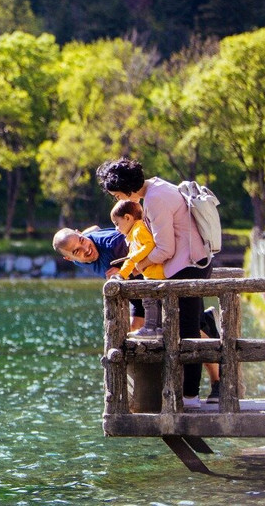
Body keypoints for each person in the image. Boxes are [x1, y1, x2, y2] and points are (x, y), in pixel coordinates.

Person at [52, 223, 221, 402]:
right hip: (136, 289)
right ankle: (140, 395)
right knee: (132, 332)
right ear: (69, 259)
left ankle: (216, 382)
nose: (85, 248)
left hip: (160, 278)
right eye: (76, 251)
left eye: (82, 241)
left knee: (191, 330)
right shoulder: (82, 243)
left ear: (79, 233)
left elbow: (150, 247)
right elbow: (93, 228)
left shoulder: (115, 243)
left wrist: (126, 269)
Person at [96, 158, 213, 408]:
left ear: (127, 188)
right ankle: (189, 393)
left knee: (187, 334)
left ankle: (190, 397)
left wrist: (139, 265)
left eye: (117, 195)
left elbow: (164, 249)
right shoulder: (158, 187)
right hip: (189, 264)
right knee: (187, 330)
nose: (119, 201)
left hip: (187, 268)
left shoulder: (155, 199)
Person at [110, 199, 163, 337]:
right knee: (153, 301)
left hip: (155, 273)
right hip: (151, 274)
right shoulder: (133, 234)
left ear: (127, 218)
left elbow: (149, 244)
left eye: (117, 224)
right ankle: (156, 329)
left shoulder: (139, 229)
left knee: (149, 301)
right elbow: (130, 259)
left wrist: (135, 258)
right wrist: (122, 274)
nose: (116, 228)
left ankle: (151, 328)